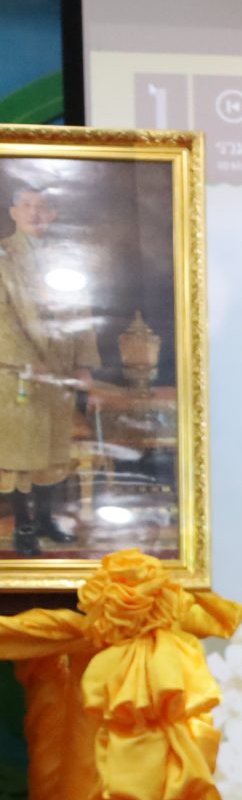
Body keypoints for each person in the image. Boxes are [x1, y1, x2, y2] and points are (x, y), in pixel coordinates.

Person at [0, 185, 100, 553]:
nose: (35, 213)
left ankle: (45, 520)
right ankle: (24, 527)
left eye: (43, 206)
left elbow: (83, 312)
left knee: (53, 453)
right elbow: (2, 318)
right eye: (27, 205)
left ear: (53, 214)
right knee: (20, 454)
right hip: (19, 371)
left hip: (61, 371)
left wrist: (84, 364)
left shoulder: (66, 256)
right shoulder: (4, 254)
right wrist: (30, 360)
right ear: (13, 212)